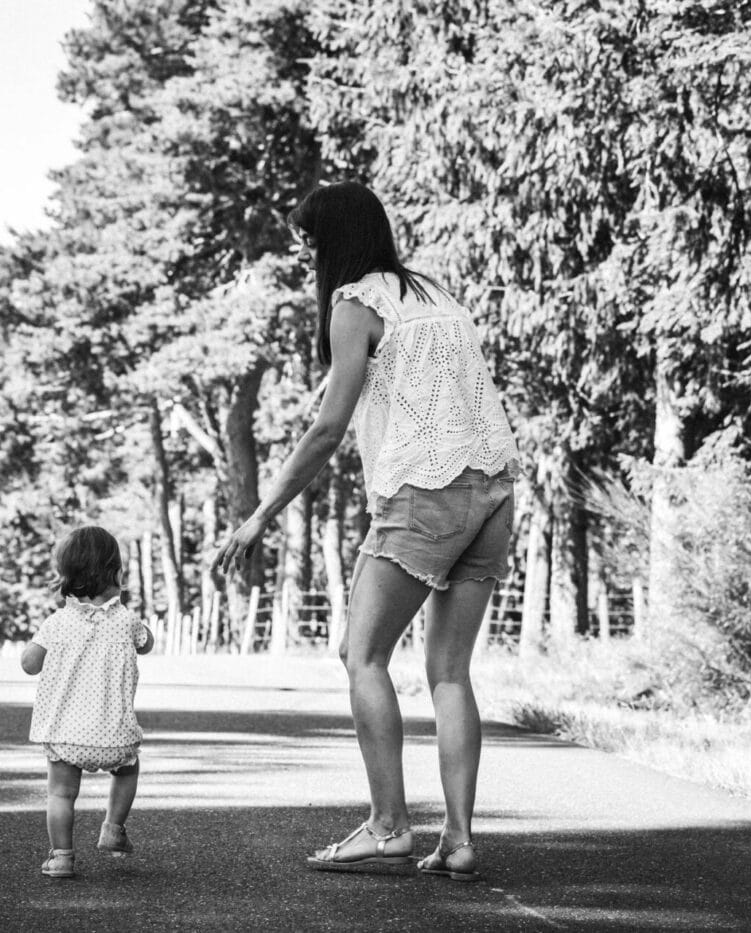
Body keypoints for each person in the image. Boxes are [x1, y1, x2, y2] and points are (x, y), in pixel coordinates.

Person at [214, 181, 520, 882]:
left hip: (424, 494)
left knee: (363, 654)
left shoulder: (355, 305)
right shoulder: (435, 294)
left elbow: (327, 429)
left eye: (309, 245)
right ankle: (461, 838)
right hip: (495, 491)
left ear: (333, 242)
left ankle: (388, 826)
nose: (307, 261)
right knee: (448, 670)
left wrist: (260, 514)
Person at [22, 525, 156, 880]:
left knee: (61, 795)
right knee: (128, 771)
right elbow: (147, 644)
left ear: (67, 576)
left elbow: (29, 664)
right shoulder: (127, 621)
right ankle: (113, 828)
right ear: (115, 573)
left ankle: (61, 857)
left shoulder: (57, 622)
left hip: (65, 735)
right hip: (115, 735)